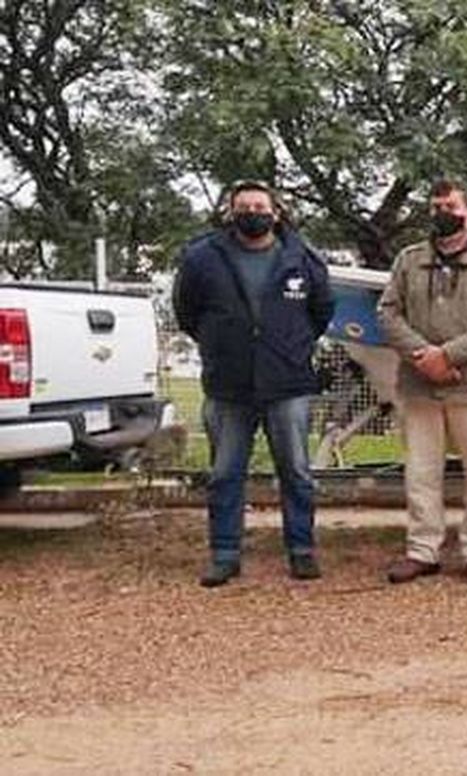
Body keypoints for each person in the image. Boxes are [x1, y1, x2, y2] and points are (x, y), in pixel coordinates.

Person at [172, 180, 333, 587]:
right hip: (230, 386)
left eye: (260, 206)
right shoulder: (201, 257)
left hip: (287, 384)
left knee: (296, 471)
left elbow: (321, 312)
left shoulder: (304, 257)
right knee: (226, 473)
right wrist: (223, 343)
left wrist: (286, 346)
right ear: (230, 212)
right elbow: (187, 313)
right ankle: (224, 554)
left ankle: (301, 550)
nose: (253, 212)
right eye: (244, 206)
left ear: (275, 212)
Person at [378, 179, 467, 586]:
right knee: (421, 472)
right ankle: (422, 550)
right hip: (419, 385)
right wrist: (424, 357)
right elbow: (388, 314)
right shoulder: (408, 260)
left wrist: (449, 356)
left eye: (451, 205)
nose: (442, 213)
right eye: (436, 205)